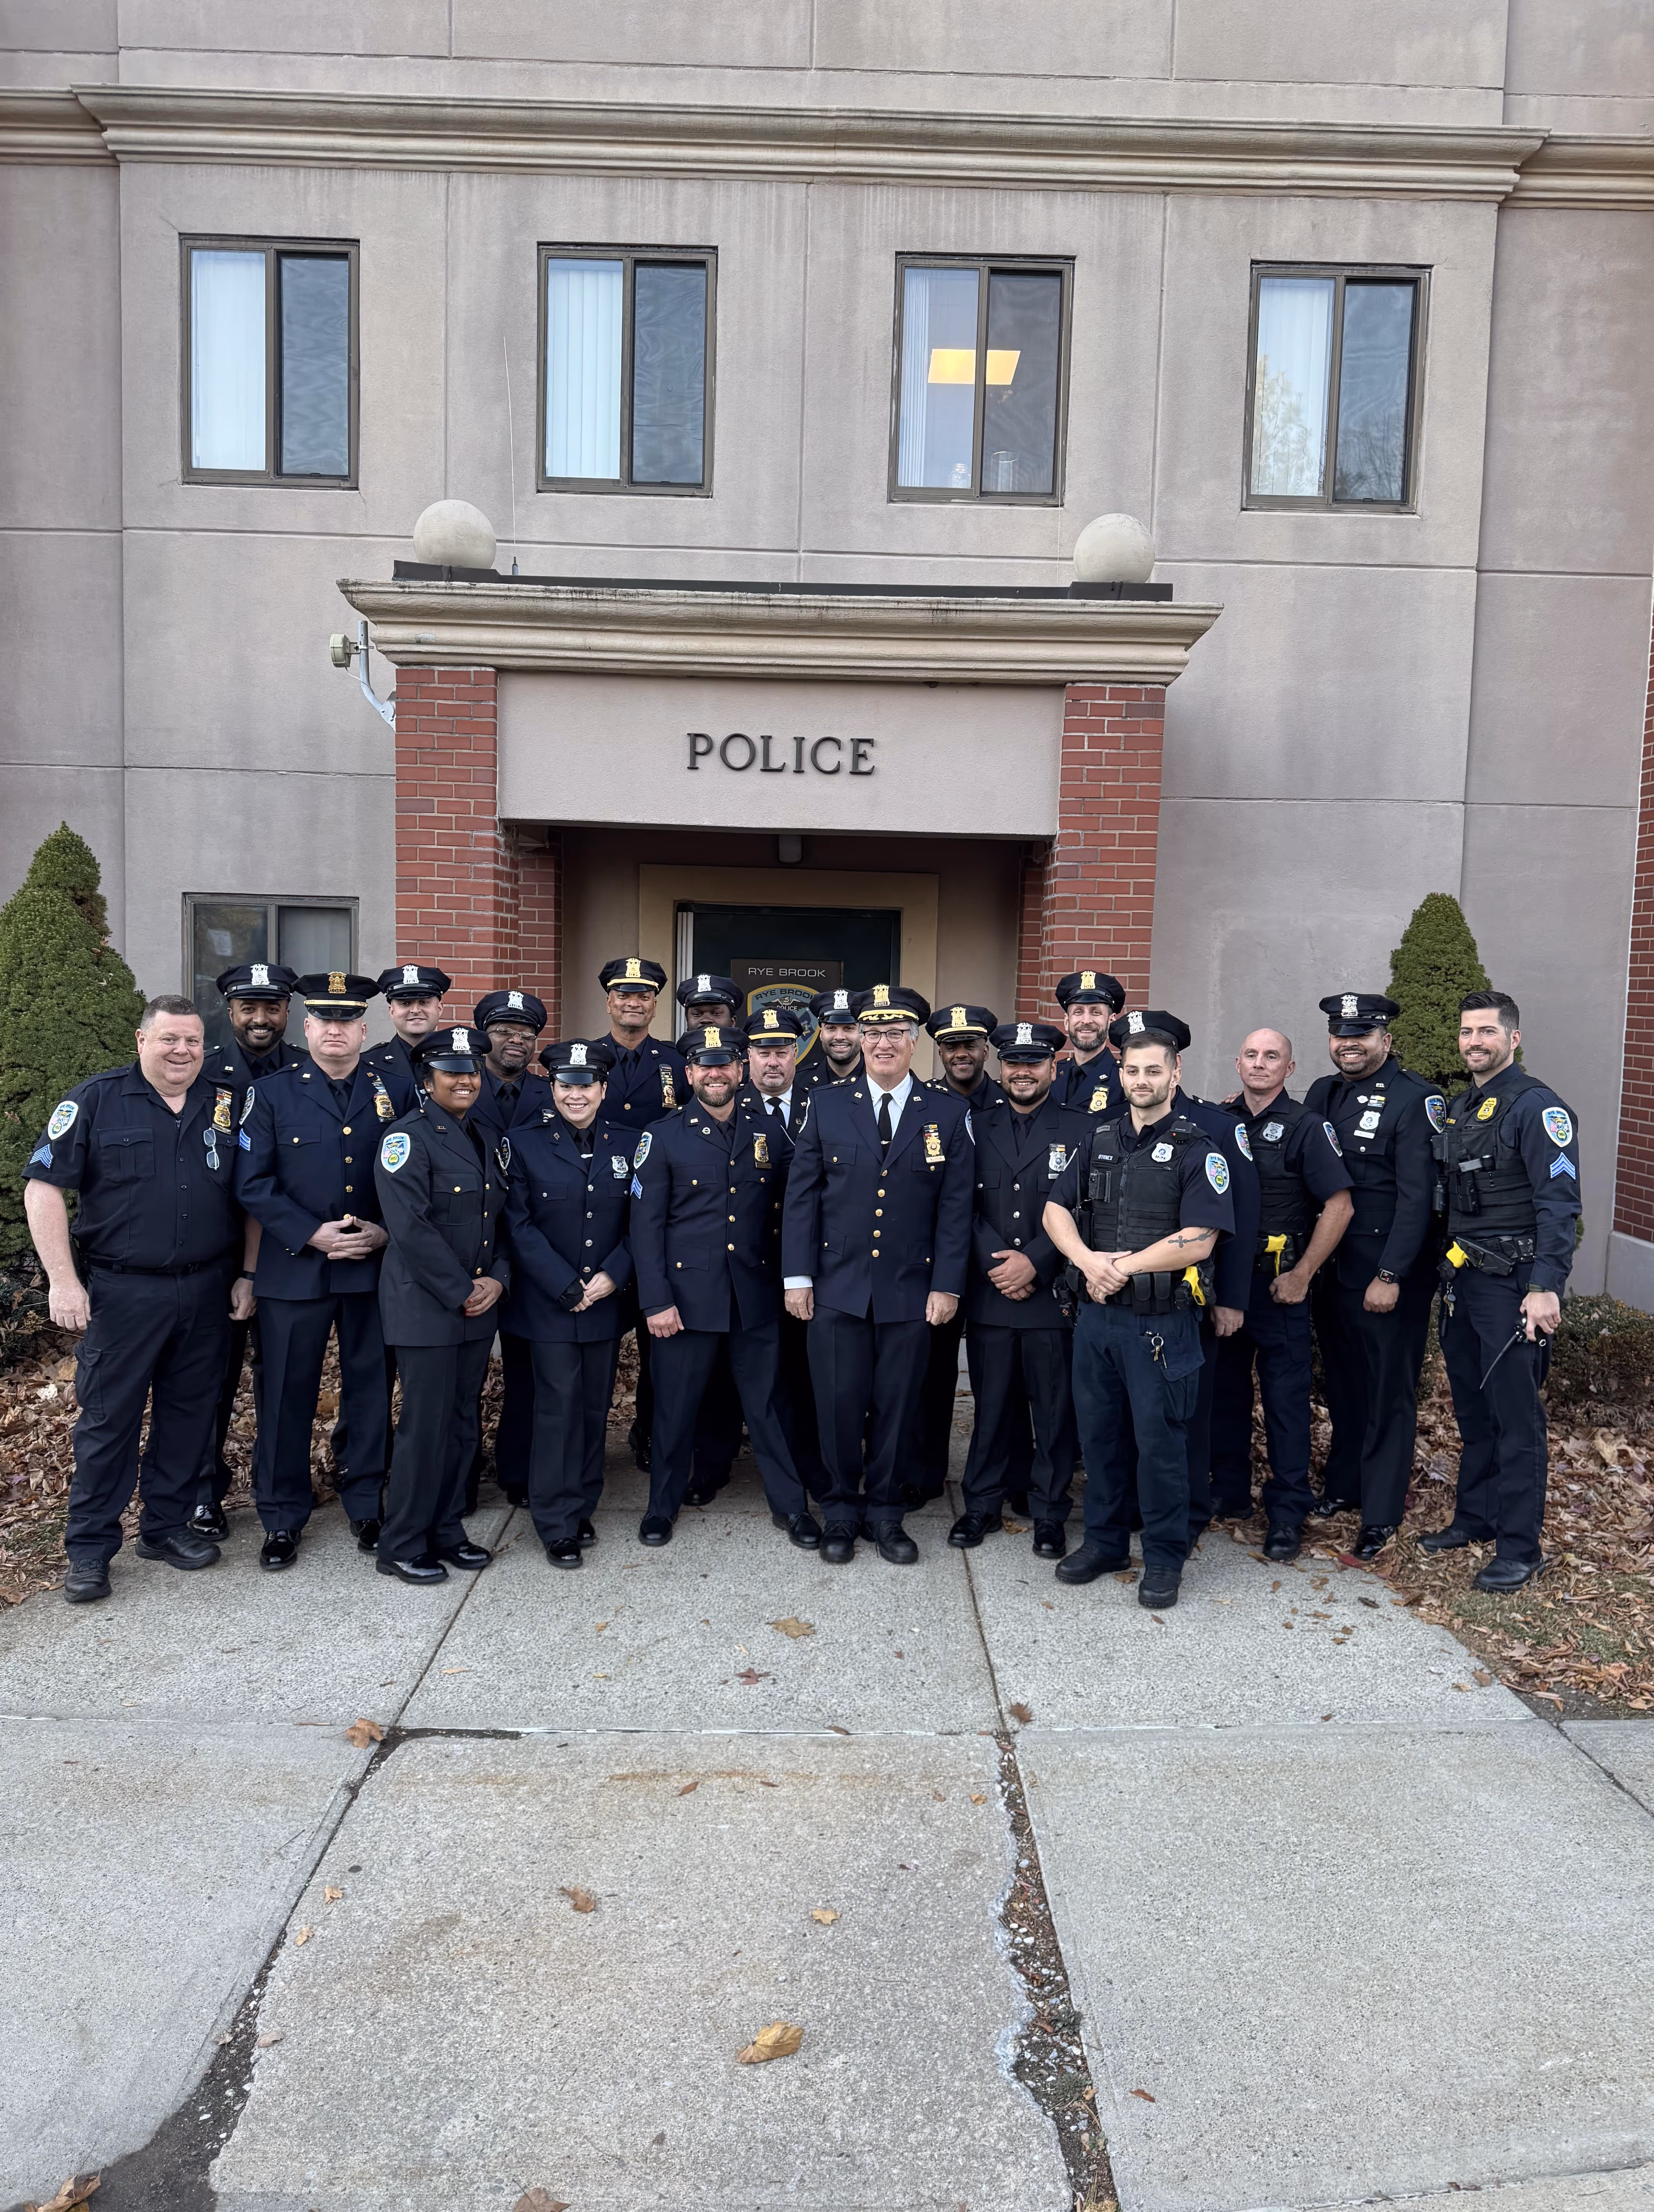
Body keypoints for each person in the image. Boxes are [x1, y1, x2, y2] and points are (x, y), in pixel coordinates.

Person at [24, 996, 253, 1602]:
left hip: (207, 1287)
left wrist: (248, 1274)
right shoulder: (95, 1100)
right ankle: (91, 1551)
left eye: (193, 1042)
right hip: (124, 1291)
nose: (183, 1052)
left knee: (188, 1419)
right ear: (141, 1039)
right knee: (108, 1423)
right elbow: (44, 1188)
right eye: (170, 1039)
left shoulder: (227, 1105)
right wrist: (64, 1281)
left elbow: (252, 1194)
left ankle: (165, 1528)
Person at [1042, 1012, 1235, 1610]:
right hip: (1098, 1322)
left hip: (1161, 1327)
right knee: (1099, 1441)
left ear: (1175, 1075)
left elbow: (1201, 1239)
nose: (1143, 1080)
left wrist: (1120, 1266)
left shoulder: (1199, 1150)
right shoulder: (1097, 1141)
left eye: (1155, 1070)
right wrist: (1085, 1260)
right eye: (1133, 1070)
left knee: (1160, 1447)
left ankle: (1163, 1558)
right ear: (1120, 1074)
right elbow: (1055, 1211)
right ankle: (1104, 1543)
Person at [782, 985, 973, 1565]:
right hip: (837, 1287)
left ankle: (887, 1510)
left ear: (915, 1043)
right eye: (873, 1034)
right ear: (859, 1040)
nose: (883, 1044)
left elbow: (956, 1206)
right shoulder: (828, 1103)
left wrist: (947, 1285)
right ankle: (841, 1509)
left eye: (895, 1034)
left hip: (911, 1290)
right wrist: (798, 1279)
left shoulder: (947, 1111)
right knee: (838, 1403)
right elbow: (802, 1198)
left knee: (899, 1405)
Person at [629, 1024, 814, 1548]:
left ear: (741, 1071)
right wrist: (656, 1301)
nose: (716, 1074)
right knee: (675, 1410)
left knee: (770, 1407)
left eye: (725, 1065)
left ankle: (791, 1507)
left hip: (753, 1299)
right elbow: (646, 1229)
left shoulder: (766, 1131)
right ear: (690, 1074)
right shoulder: (662, 1136)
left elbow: (790, 1208)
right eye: (705, 1066)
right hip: (684, 1304)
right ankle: (661, 1508)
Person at [233, 972, 394, 1570]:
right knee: (284, 1396)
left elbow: (409, 1177)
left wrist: (383, 1231)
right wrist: (311, 1233)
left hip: (369, 1268)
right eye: (325, 1021)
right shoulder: (271, 1095)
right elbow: (252, 1183)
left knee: (370, 1392)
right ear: (307, 1028)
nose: (336, 1031)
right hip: (295, 1269)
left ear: (362, 1029)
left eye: (347, 1021)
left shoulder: (394, 1089)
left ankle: (366, 1504)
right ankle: (281, 1516)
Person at [1423, 992, 1580, 1590]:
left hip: (1514, 1289)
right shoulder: (1463, 1106)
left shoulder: (1538, 1108)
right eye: (1467, 1032)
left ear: (1513, 1039)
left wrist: (1545, 1287)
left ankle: (1520, 1547)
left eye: (1487, 1031)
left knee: (1518, 1420)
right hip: (1464, 1283)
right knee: (1473, 1412)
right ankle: (1477, 1518)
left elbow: (1559, 1205)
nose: (1475, 1042)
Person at [1303, 991, 1445, 1558]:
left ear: (1386, 1039)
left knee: (1389, 1393)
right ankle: (1345, 1486)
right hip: (1333, 1272)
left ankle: (1382, 1513)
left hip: (1385, 1276)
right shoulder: (1323, 1091)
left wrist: (1391, 1274)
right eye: (1341, 1034)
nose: (1349, 1044)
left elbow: (1419, 1201)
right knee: (1344, 1387)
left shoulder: (1417, 1099)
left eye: (1361, 1034)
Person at [1209, 1027, 1354, 1560]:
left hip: (1280, 1287)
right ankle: (1227, 1494)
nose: (1261, 1063)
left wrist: (1304, 1274)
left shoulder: (1306, 1128)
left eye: (1273, 1056)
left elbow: (1340, 1205)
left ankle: (1288, 1512)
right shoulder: (1219, 1122)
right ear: (1238, 1062)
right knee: (1224, 1395)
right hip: (1227, 1286)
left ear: (1290, 1069)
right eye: (1252, 1054)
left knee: (1285, 1405)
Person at [372, 1026, 508, 1584]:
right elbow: (410, 1228)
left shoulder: (484, 1136)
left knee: (460, 1424)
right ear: (426, 1081)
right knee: (424, 1427)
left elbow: (497, 1221)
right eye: (452, 1072)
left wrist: (497, 1279)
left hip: (478, 1304)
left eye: (473, 1071)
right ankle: (402, 1541)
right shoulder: (406, 1139)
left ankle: (448, 1528)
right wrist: (462, 1291)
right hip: (428, 1307)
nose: (466, 1080)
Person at [950, 1020, 1090, 1559]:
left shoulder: (1081, 1129)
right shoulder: (972, 1125)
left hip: (1051, 1296)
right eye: (1013, 1063)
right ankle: (981, 1505)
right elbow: (959, 1204)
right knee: (991, 1410)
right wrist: (997, 1263)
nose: (1023, 1073)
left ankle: (1050, 1512)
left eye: (1034, 1063)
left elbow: (1084, 1211)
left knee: (1053, 1413)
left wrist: (1033, 1261)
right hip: (991, 1294)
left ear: (1053, 1067)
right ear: (999, 1068)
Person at [501, 1040, 633, 1569]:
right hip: (548, 1303)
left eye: (585, 1085)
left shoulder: (629, 1142)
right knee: (556, 1409)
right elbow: (517, 1223)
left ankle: (581, 1505)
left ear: (602, 1089)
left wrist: (613, 1276)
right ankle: (554, 1522)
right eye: (564, 1085)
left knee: (593, 1409)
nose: (575, 1095)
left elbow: (639, 1221)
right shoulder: (522, 1142)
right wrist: (565, 1284)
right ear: (551, 1088)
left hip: (603, 1299)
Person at [191, 960, 309, 1540]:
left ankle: (276, 1493)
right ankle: (203, 1493)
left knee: (278, 1380)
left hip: (288, 1255)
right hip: (215, 1255)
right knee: (211, 1380)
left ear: (289, 1012)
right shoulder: (203, 1076)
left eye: (272, 1007)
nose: (261, 1018)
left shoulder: (309, 1074)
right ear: (231, 1012)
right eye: (249, 1008)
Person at [908, 1002, 1004, 1502]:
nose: (961, 1054)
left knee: (998, 1380)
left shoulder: (1009, 1102)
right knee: (932, 1374)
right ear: (938, 1050)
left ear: (986, 1048)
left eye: (970, 1045)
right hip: (939, 1259)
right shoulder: (922, 1105)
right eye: (951, 1046)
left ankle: (997, 1480)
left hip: (998, 1263)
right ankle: (926, 1473)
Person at [597, 956, 688, 1475]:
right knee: (601, 1344)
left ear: (656, 1004)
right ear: (609, 1001)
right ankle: (592, 1438)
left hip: (664, 1225)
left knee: (662, 1347)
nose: (634, 1002)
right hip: (602, 1223)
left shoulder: (678, 1063)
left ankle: (651, 1433)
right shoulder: (586, 1059)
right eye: (624, 994)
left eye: (644, 994)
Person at [465, 988, 552, 1506]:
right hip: (468, 1256)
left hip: (529, 1256)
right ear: (483, 1038)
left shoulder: (551, 1095)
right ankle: (462, 1476)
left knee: (527, 1374)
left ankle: (519, 1473)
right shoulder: (457, 1086)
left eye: (526, 1034)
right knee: (464, 1380)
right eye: (503, 1031)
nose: (515, 1041)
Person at [736, 1005, 821, 1498]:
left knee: (806, 1371)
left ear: (797, 1053)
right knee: (750, 1376)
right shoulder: (728, 1106)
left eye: (782, 1051)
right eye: (763, 1052)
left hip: (808, 1265)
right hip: (749, 1266)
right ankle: (724, 1463)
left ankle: (806, 1460)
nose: (773, 1061)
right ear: (748, 1058)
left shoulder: (823, 1103)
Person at [364, 964, 452, 1116]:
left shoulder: (460, 1059)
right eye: (405, 1004)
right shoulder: (367, 1064)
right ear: (392, 1012)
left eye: (424, 1002)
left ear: (440, 1009)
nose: (415, 1010)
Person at [1052, 970, 1126, 1114]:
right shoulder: (1051, 1075)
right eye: (1079, 1012)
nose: (1086, 1021)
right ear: (1067, 1022)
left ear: (1111, 1021)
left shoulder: (1125, 1079)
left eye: (1096, 1012)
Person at [801, 987, 862, 1089]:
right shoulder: (799, 1082)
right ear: (821, 1033)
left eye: (849, 1028)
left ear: (862, 1033)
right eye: (831, 1028)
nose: (839, 1037)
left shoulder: (881, 1080)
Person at [675, 972, 740, 1029]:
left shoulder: (746, 1043)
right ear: (687, 1021)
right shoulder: (677, 1044)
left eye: (716, 1014)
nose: (706, 1020)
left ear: (733, 1022)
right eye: (697, 1014)